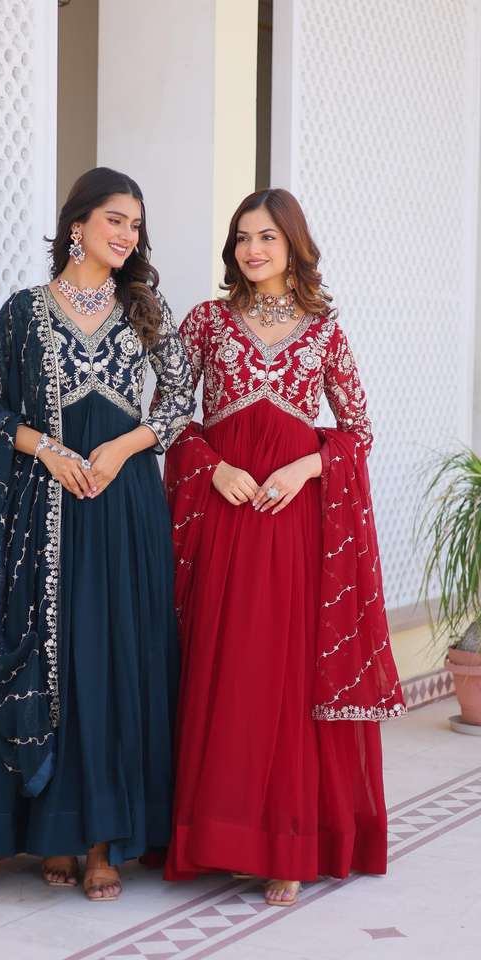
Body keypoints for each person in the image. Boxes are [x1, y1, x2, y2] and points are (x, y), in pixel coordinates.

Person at [0, 167, 195, 902]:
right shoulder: (25, 312)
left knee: (115, 658)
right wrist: (48, 449)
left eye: (136, 225)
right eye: (115, 219)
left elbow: (181, 395)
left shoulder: (144, 309)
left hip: (124, 506)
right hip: (46, 512)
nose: (127, 235)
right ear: (77, 223)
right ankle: (56, 829)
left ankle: (103, 841)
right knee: (59, 659)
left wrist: (123, 448)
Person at [163, 188, 406, 906]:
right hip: (225, 518)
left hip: (295, 525)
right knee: (225, 670)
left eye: (266, 236)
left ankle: (287, 846)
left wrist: (305, 468)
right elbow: (169, 416)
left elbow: (359, 431)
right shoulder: (207, 322)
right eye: (242, 237)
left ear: (293, 243)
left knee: (285, 679)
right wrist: (213, 468)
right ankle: (216, 837)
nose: (252, 250)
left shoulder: (324, 331)